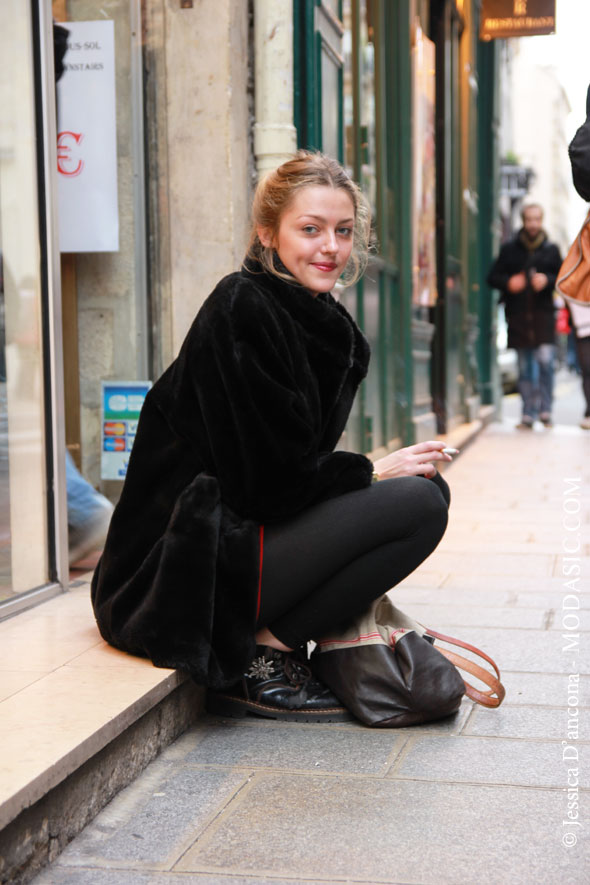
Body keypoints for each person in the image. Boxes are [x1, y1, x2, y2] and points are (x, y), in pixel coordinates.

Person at [91, 151, 452, 723]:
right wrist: (372, 472)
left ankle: (273, 642)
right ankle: (263, 656)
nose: (329, 247)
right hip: (172, 576)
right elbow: (269, 488)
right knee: (413, 502)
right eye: (309, 230)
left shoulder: (327, 326)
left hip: (240, 539)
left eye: (342, 231)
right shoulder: (243, 306)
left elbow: (288, 473)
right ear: (268, 233)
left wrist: (368, 479)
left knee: (428, 493)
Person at [487, 203, 562, 429]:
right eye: (529, 219)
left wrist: (547, 281)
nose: (533, 224)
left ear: (542, 220)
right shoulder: (510, 249)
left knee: (546, 363)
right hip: (519, 319)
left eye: (536, 219)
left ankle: (546, 410)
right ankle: (528, 413)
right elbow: (492, 277)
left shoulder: (551, 250)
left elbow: (562, 278)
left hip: (543, 319)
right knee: (525, 367)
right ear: (523, 220)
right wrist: (509, 283)